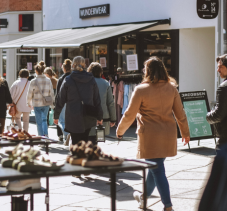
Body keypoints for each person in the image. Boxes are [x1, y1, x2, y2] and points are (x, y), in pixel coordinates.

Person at [116, 57, 190, 211]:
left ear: (147, 71)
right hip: (167, 135)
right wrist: (185, 132)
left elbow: (129, 114)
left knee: (157, 170)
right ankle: (143, 198)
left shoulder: (141, 89)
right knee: (155, 168)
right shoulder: (172, 88)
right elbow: (180, 114)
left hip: (150, 136)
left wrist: (120, 131)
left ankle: (168, 206)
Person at [54, 56, 103, 145]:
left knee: (75, 141)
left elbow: (60, 99)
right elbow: (97, 99)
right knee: (85, 140)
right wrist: (99, 116)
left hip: (73, 116)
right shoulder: (91, 79)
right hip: (88, 115)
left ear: (73, 65)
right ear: (84, 65)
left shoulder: (68, 80)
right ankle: (83, 156)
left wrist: (56, 115)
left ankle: (77, 156)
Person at [87, 62, 116, 143]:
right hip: (102, 117)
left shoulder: (86, 82)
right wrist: (113, 118)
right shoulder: (106, 83)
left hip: (88, 115)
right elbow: (110, 103)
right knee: (96, 139)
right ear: (100, 72)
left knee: (89, 138)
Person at [26, 62, 55, 137]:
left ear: (36, 71)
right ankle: (46, 135)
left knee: (39, 122)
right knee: (44, 119)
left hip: (37, 103)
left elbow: (29, 93)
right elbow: (51, 93)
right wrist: (52, 104)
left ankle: (41, 136)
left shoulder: (33, 81)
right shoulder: (48, 80)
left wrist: (28, 103)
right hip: (46, 103)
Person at [54, 59, 72, 143]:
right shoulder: (73, 78)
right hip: (72, 101)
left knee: (61, 120)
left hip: (63, 102)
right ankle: (67, 136)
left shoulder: (61, 79)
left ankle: (66, 134)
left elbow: (58, 94)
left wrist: (56, 105)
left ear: (64, 69)